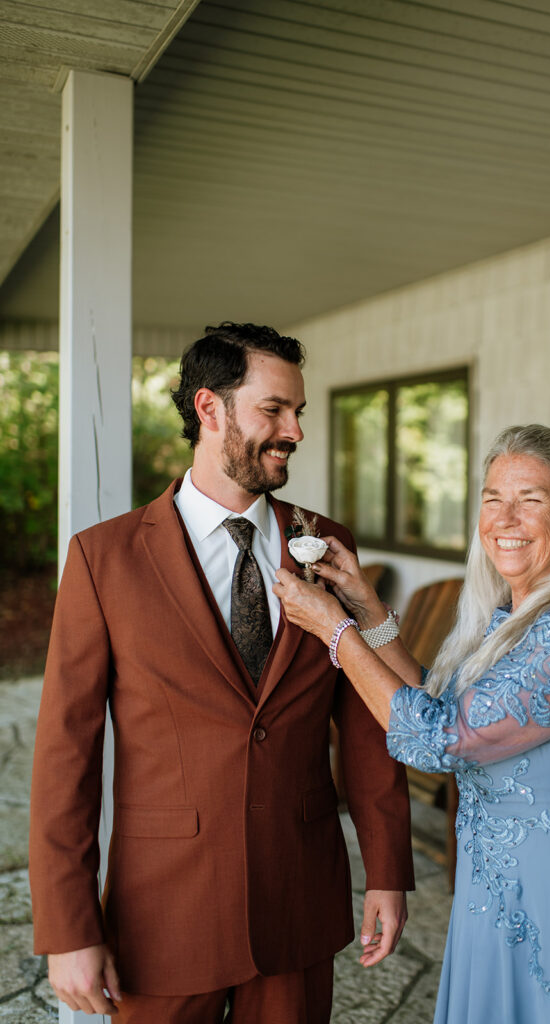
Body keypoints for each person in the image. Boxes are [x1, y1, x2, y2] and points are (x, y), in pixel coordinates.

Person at [29, 321, 414, 1024]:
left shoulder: (327, 545)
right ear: (210, 409)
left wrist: (389, 871)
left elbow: (365, 724)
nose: (295, 430)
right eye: (275, 409)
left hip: (297, 897)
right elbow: (65, 756)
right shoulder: (103, 559)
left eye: (298, 412)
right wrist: (68, 927)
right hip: (161, 915)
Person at [275, 423, 550, 1024]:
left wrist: (334, 630)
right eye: (493, 499)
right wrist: (366, 607)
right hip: (496, 885)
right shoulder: (510, 616)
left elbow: (436, 740)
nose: (505, 518)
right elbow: (437, 705)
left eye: (531, 500)